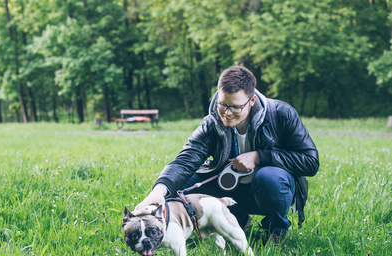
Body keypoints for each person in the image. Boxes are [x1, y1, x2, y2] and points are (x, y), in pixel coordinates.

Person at [136, 65, 319, 244]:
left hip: (268, 189)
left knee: (269, 177)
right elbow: (185, 161)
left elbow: (310, 161)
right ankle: (211, 223)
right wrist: (159, 191)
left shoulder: (281, 115)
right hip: (227, 188)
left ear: (252, 101)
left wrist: (259, 157)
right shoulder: (212, 124)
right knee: (177, 186)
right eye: (222, 104)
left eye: (235, 107)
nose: (227, 113)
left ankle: (275, 230)